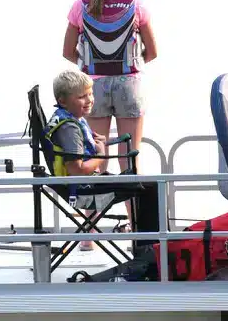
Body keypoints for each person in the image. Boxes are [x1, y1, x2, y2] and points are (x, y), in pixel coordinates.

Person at [62, 0, 158, 177]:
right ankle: (135, 215)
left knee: (96, 160)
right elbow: (153, 51)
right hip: (129, 83)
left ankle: (91, 215)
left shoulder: (81, 5)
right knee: (130, 163)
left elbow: (67, 51)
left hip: (92, 88)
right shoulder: (135, 4)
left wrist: (90, 66)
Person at [43, 69, 159, 253]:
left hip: (84, 184)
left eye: (90, 94)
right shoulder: (70, 129)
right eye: (82, 96)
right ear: (63, 100)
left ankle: (147, 246)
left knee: (147, 185)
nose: (89, 100)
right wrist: (100, 154)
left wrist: (95, 142)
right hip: (84, 188)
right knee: (149, 188)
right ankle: (149, 250)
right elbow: (77, 171)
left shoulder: (70, 120)